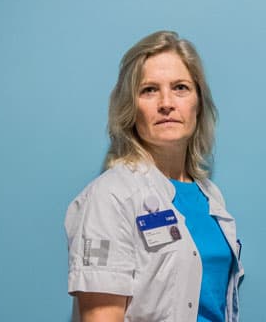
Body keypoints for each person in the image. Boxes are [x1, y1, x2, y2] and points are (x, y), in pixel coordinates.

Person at [65, 31, 243, 322]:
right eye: (149, 90)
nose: (166, 102)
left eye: (180, 88)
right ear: (130, 108)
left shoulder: (210, 195)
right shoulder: (109, 197)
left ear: (198, 103)